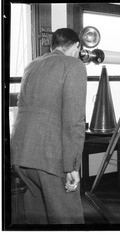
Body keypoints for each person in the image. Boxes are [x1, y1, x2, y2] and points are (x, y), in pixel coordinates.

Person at [10, 28, 87, 224]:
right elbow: (73, 120)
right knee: (68, 219)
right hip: (51, 158)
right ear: (76, 46)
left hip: (21, 155)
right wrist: (72, 166)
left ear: (53, 46)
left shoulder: (32, 65)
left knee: (40, 219)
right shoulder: (74, 65)